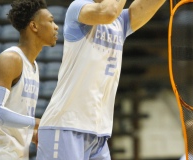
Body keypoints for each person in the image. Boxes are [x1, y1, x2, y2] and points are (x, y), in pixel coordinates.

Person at [36, 0, 166, 159]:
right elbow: (108, 12)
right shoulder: (79, 8)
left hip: (98, 132)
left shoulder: (121, 21)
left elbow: (144, 6)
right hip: (66, 126)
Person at [0, 0, 58, 159]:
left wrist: (32, 135)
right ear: (34, 26)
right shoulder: (11, 59)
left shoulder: (33, 66)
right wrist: (39, 123)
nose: (56, 26)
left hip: (14, 153)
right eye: (51, 21)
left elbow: (12, 116)